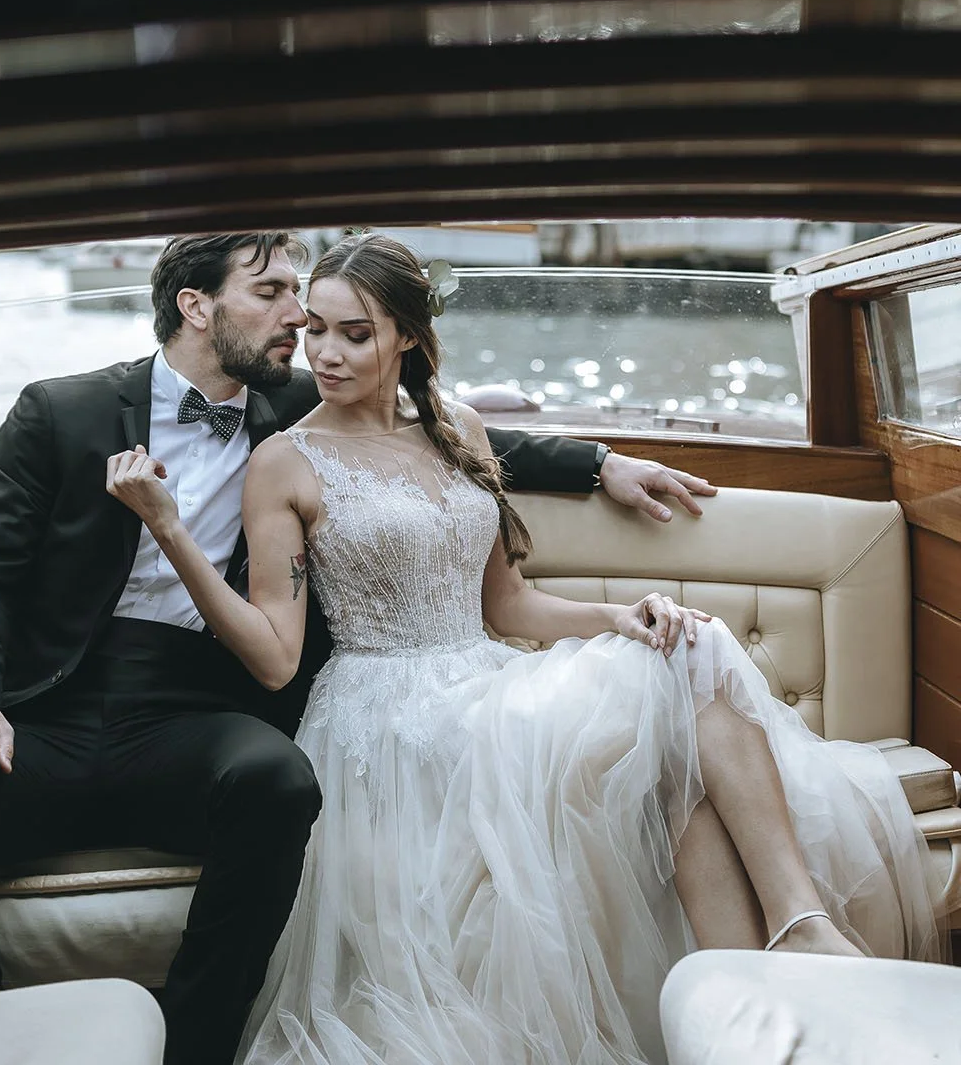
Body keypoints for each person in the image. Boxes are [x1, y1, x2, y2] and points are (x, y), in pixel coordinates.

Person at [0, 230, 714, 1065]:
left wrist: (598, 464)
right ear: (196, 305)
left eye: (301, 297)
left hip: (196, 706)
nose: (299, 320)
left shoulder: (297, 404)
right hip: (47, 709)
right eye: (271, 293)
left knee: (275, 782)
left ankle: (194, 1048)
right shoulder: (60, 409)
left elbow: (435, 434)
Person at [106, 232, 943, 1065]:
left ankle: (791, 944)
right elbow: (275, 658)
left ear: (406, 336)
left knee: (691, 650)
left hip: (485, 677)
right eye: (314, 330)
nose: (324, 353)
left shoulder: (459, 427)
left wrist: (624, 618)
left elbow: (510, 603)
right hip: (391, 723)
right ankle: (769, 969)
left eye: (353, 334)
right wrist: (170, 530)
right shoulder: (284, 462)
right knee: (663, 737)